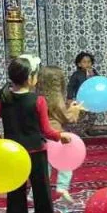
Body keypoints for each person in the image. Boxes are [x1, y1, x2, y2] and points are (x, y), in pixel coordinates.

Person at [0, 55, 69, 213]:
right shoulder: (38, 100)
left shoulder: (4, 98)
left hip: (13, 154)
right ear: (30, 78)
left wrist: (1, 142)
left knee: (15, 195)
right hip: (36, 152)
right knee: (42, 194)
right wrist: (61, 136)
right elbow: (47, 131)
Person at [39, 66, 85, 204]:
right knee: (66, 160)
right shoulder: (57, 98)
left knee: (45, 165)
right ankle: (62, 187)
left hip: (40, 135)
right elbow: (66, 118)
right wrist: (75, 109)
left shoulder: (37, 96)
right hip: (55, 134)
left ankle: (35, 192)